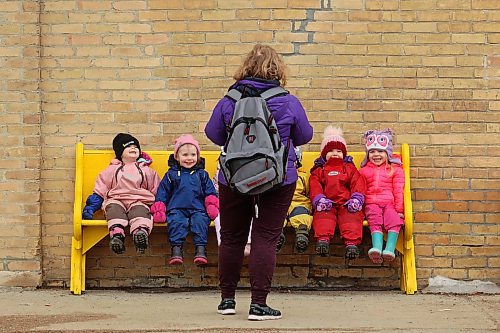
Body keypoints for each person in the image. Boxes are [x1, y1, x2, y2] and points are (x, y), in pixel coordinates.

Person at [205, 44, 313, 321]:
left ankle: (227, 300)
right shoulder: (288, 101)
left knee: (231, 236)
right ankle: (258, 304)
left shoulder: (229, 99)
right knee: (266, 236)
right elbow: (304, 135)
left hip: (234, 176)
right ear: (278, 68)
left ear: (245, 68)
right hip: (278, 176)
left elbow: (213, 134)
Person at [82, 133, 161, 254]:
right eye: (129, 146)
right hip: (116, 199)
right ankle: (117, 234)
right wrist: (91, 207)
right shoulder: (112, 169)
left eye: (136, 146)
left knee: (140, 210)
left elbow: (156, 190)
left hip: (139, 200)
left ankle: (140, 233)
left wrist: (159, 207)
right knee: (113, 209)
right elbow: (101, 189)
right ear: (120, 152)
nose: (133, 148)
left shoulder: (147, 170)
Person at [150, 134, 219, 266]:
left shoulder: (202, 175)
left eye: (193, 155)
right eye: (185, 155)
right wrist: (160, 207)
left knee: (200, 221)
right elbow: (163, 192)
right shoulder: (171, 174)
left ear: (197, 156)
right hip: (176, 208)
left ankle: (200, 249)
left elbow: (209, 191)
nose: (189, 158)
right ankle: (176, 249)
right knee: (176, 221)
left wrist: (211, 204)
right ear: (177, 157)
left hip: (198, 208)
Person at [309, 127, 366, 259]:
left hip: (346, 203)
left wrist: (356, 198)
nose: (335, 153)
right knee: (323, 216)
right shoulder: (320, 170)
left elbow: (357, 183)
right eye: (330, 151)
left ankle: (351, 243)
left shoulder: (349, 168)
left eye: (339, 151)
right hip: (327, 203)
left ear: (344, 153)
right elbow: (315, 185)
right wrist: (319, 199)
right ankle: (323, 240)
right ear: (324, 154)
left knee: (351, 217)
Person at [359, 129, 404, 264]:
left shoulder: (395, 170)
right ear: (368, 154)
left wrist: (399, 210)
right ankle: (377, 248)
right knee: (374, 220)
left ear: (387, 153)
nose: (376, 155)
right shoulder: (363, 171)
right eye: (372, 151)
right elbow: (359, 190)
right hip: (371, 203)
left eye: (380, 151)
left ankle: (389, 249)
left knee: (394, 220)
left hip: (389, 203)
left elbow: (398, 190)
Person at [276, 147, 313, 254]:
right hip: (280, 203)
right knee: (277, 214)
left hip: (298, 202)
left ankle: (302, 232)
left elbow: (309, 193)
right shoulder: (277, 176)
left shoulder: (302, 176)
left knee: (300, 212)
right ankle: (277, 234)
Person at [212, 165, 252, 257]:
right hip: (223, 200)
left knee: (250, 212)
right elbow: (215, 189)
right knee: (217, 214)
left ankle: (248, 243)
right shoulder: (222, 169)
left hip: (245, 198)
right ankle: (222, 243)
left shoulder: (249, 167)